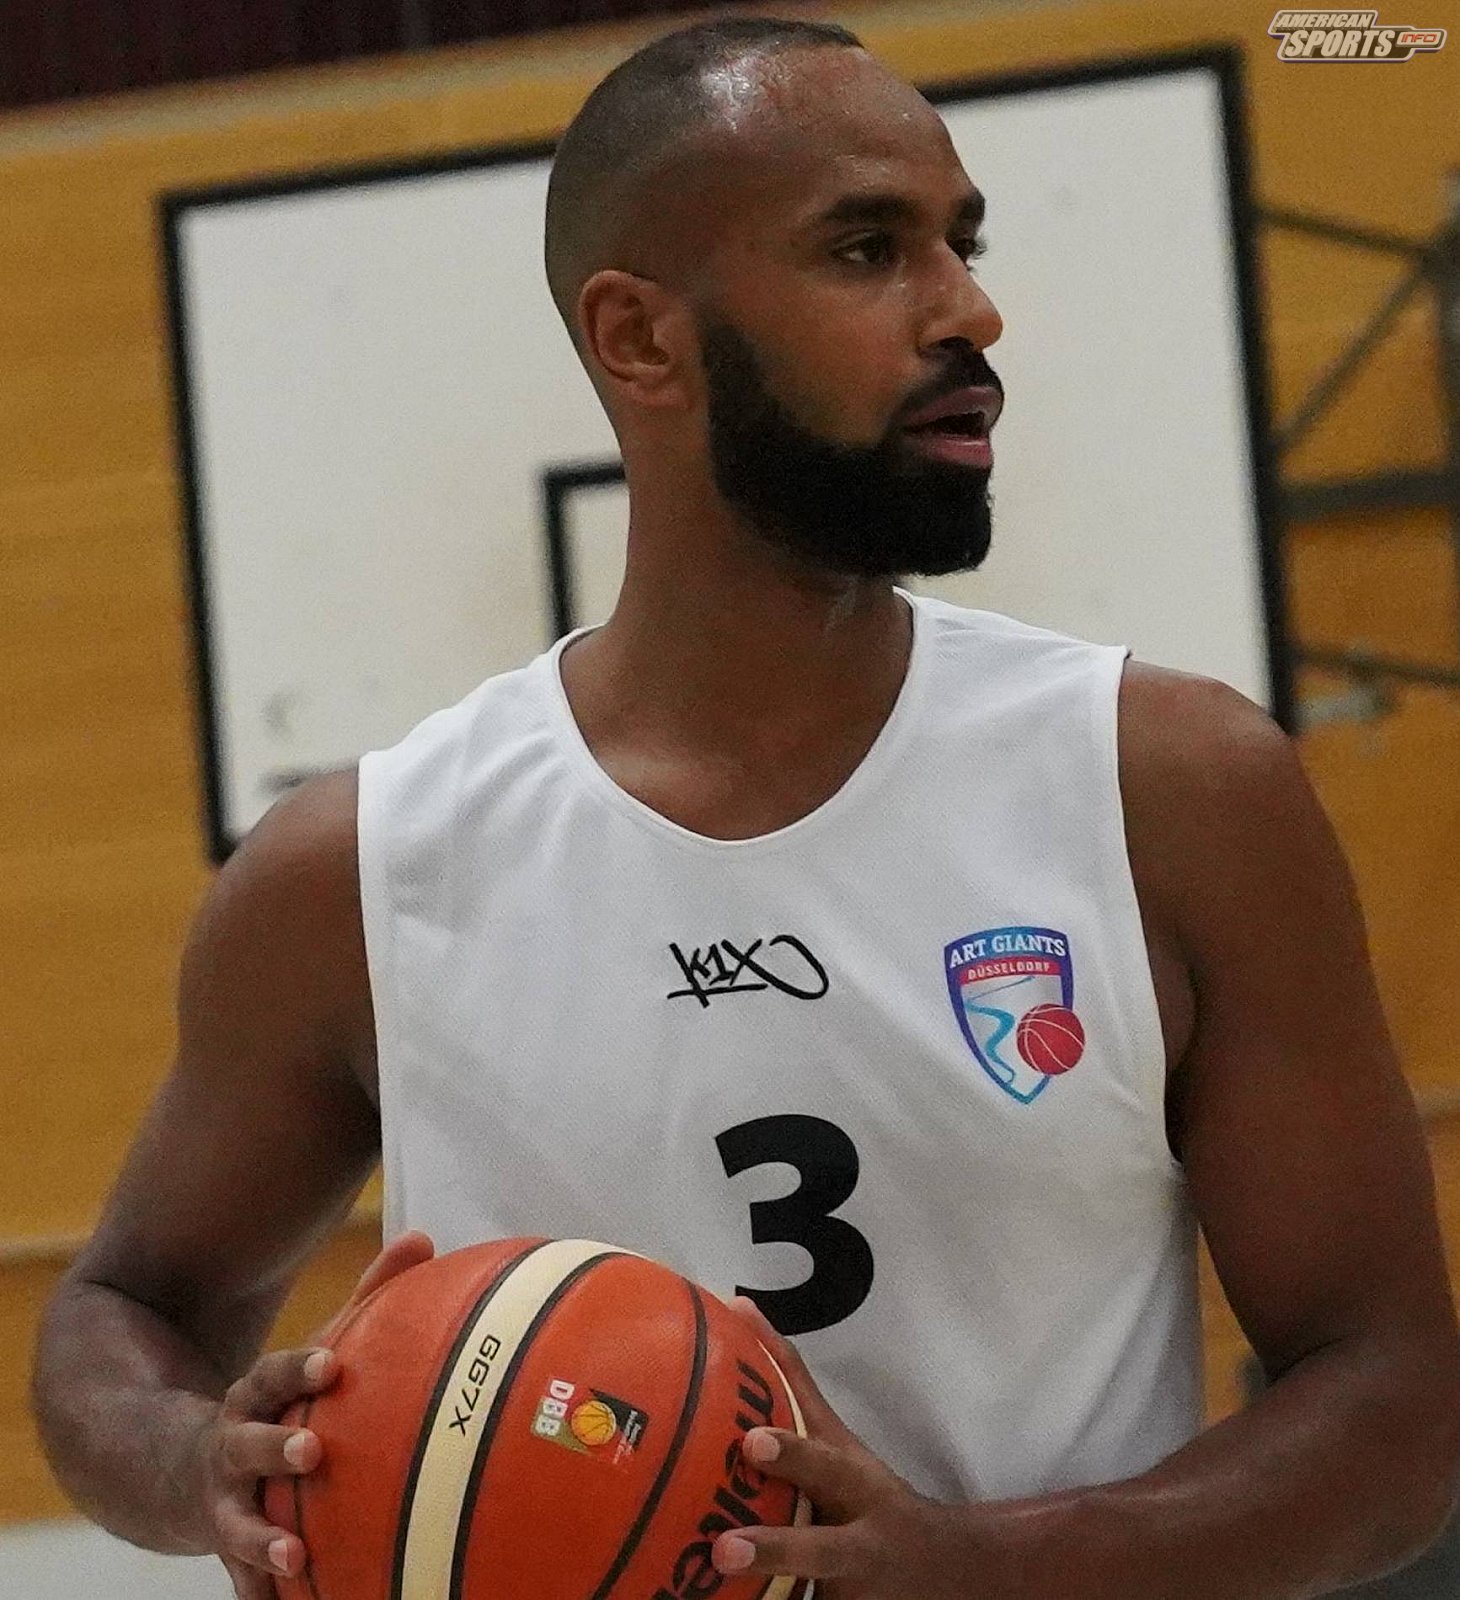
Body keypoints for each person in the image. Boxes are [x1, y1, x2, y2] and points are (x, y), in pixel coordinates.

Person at [31, 17, 1460, 1600]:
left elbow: (1395, 1409)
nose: (969, 309)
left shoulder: (1170, 792)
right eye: (867, 249)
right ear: (641, 340)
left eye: (963, 243)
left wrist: (985, 1571)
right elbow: (119, 1312)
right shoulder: (361, 870)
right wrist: (199, 1462)